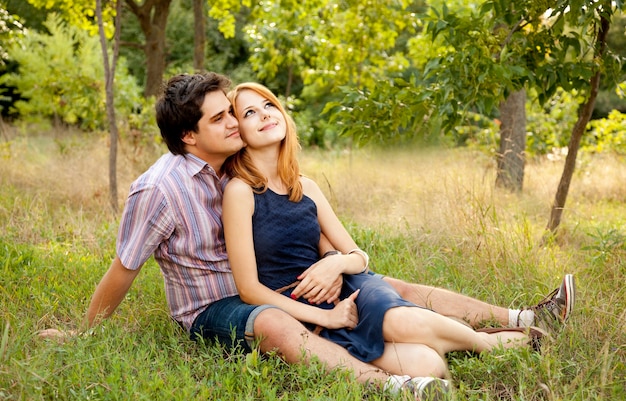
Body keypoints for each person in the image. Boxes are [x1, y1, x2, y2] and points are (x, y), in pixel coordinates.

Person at [39, 73, 574, 400]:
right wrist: (85, 336)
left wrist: (338, 263)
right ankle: (389, 385)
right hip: (216, 304)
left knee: (385, 284)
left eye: (235, 114)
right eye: (222, 118)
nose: (234, 123)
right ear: (188, 136)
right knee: (274, 320)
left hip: (285, 283)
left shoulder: (241, 170)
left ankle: (520, 320)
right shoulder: (158, 189)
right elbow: (124, 267)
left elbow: (300, 228)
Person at [221, 82, 562, 393]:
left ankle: (486, 344)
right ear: (239, 132)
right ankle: (501, 345)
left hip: (348, 288)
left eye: (269, 104)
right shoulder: (240, 192)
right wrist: (324, 317)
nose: (264, 113)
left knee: (402, 319)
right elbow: (250, 289)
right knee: (429, 365)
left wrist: (336, 263)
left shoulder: (305, 186)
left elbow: (357, 254)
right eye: (250, 112)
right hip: (306, 312)